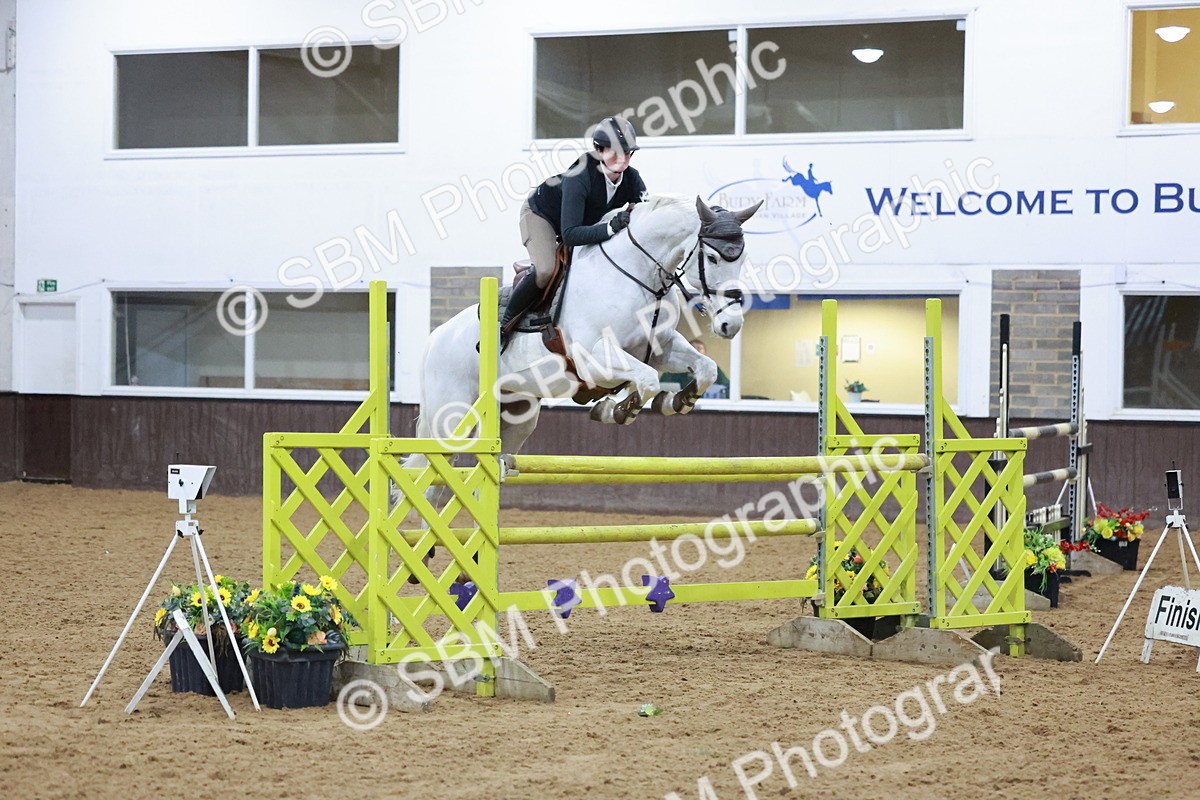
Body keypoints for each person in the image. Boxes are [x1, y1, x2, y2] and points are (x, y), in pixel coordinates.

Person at [501, 115, 648, 346]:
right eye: (615, 152)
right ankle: (504, 326)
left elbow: (645, 214)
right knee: (546, 270)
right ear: (599, 150)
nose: (623, 159)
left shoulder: (632, 179)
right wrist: (610, 228)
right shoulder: (580, 175)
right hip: (541, 216)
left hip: (581, 223)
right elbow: (570, 234)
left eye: (628, 153)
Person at [661, 339, 730, 398]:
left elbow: (728, 387)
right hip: (680, 404)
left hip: (706, 404)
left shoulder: (711, 369)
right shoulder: (676, 367)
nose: (696, 351)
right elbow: (663, 386)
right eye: (693, 348)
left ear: (704, 353)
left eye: (699, 348)